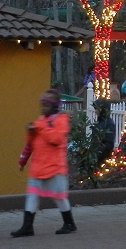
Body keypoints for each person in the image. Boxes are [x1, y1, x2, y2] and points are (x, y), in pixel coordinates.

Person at [11, 89, 77, 236]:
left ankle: (69, 223)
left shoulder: (61, 121)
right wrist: (23, 159)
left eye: (46, 106)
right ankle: (27, 226)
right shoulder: (41, 122)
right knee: (32, 195)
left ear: (54, 107)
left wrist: (40, 127)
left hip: (54, 168)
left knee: (59, 197)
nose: (43, 109)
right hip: (38, 167)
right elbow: (30, 144)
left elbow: (56, 140)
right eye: (42, 105)